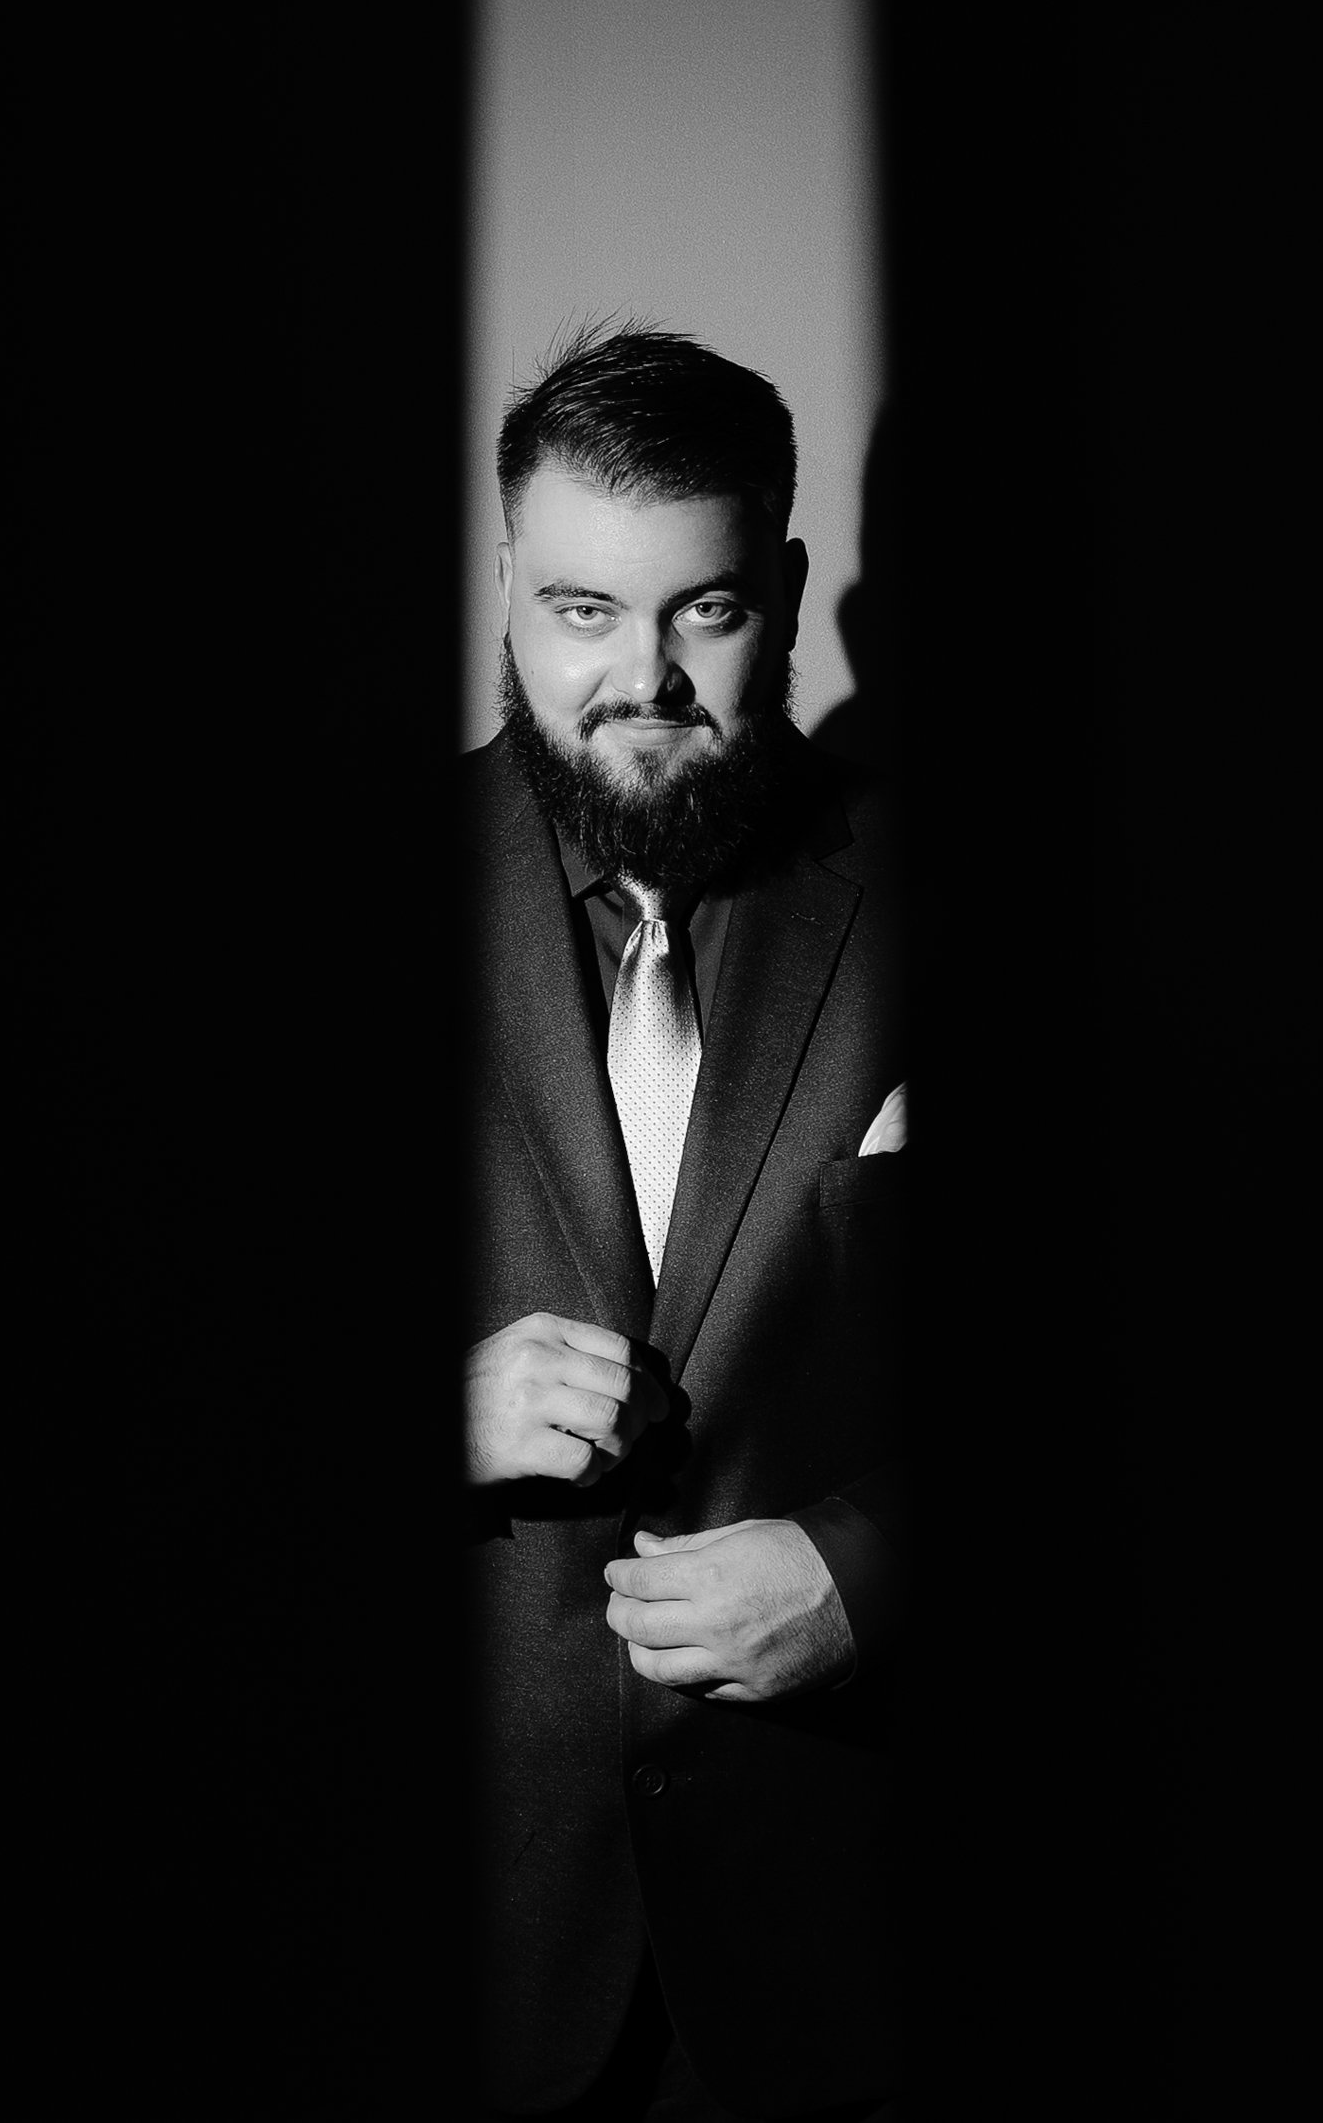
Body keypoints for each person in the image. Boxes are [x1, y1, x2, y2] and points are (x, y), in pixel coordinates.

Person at [463, 325, 907, 2122]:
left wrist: (879, 1572)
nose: (640, 679)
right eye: (581, 610)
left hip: (852, 1951)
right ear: (507, 581)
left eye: (703, 611)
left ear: (785, 592)